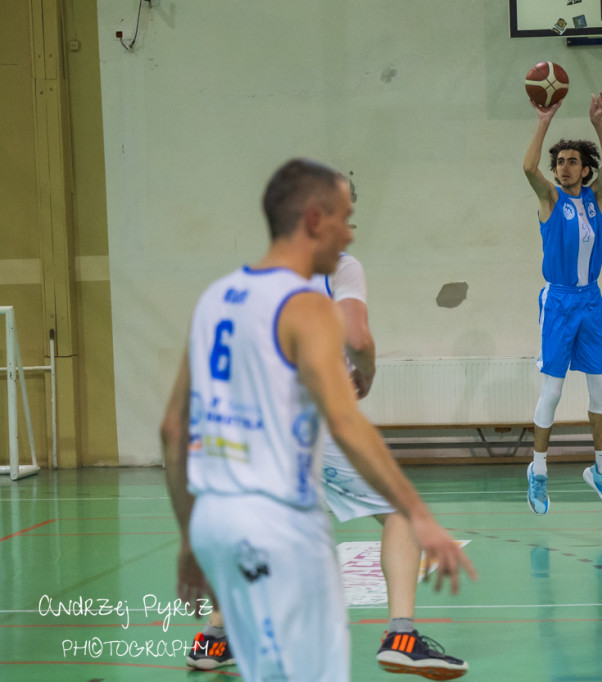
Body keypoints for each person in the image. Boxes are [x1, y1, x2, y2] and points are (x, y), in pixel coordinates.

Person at [160, 159, 476, 681]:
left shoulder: (215, 298)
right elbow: (347, 418)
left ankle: (218, 636)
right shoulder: (304, 304)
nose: (351, 232)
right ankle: (402, 634)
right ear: (313, 220)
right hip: (285, 523)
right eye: (345, 218)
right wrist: (418, 512)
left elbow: (173, 430)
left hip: (219, 519)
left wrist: (190, 540)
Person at [522, 85, 602, 515]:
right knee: (553, 391)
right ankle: (538, 472)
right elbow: (528, 167)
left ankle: (601, 470)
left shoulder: (595, 199)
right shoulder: (550, 200)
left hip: (591, 301)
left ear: (584, 170)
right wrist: (543, 122)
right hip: (559, 302)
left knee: (601, 389)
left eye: (571, 162)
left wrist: (598, 122)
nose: (563, 168)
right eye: (559, 163)